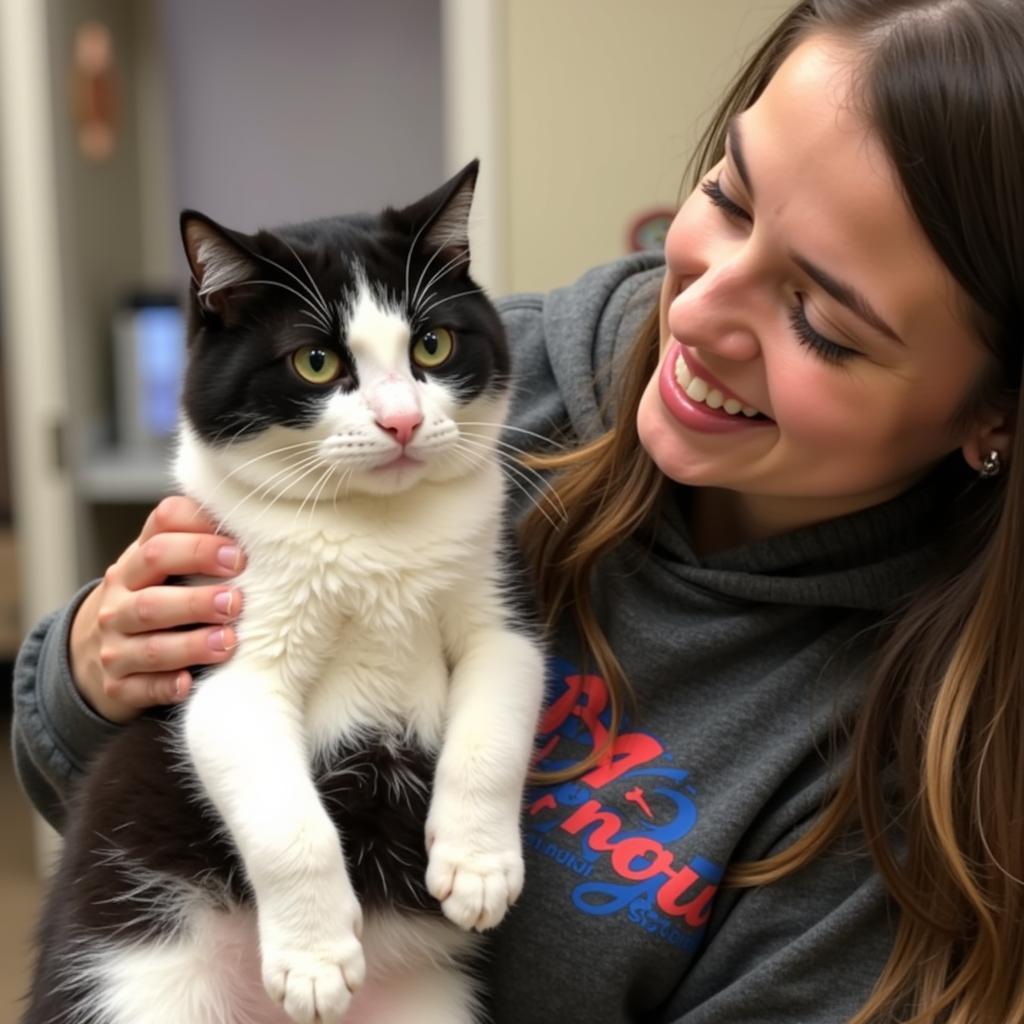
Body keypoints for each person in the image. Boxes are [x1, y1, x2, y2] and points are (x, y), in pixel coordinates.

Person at [12, 0, 1024, 1020]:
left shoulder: (913, 772)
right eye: (728, 196)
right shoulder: (492, 378)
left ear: (991, 409)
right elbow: (86, 762)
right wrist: (92, 669)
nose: (701, 309)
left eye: (820, 320)